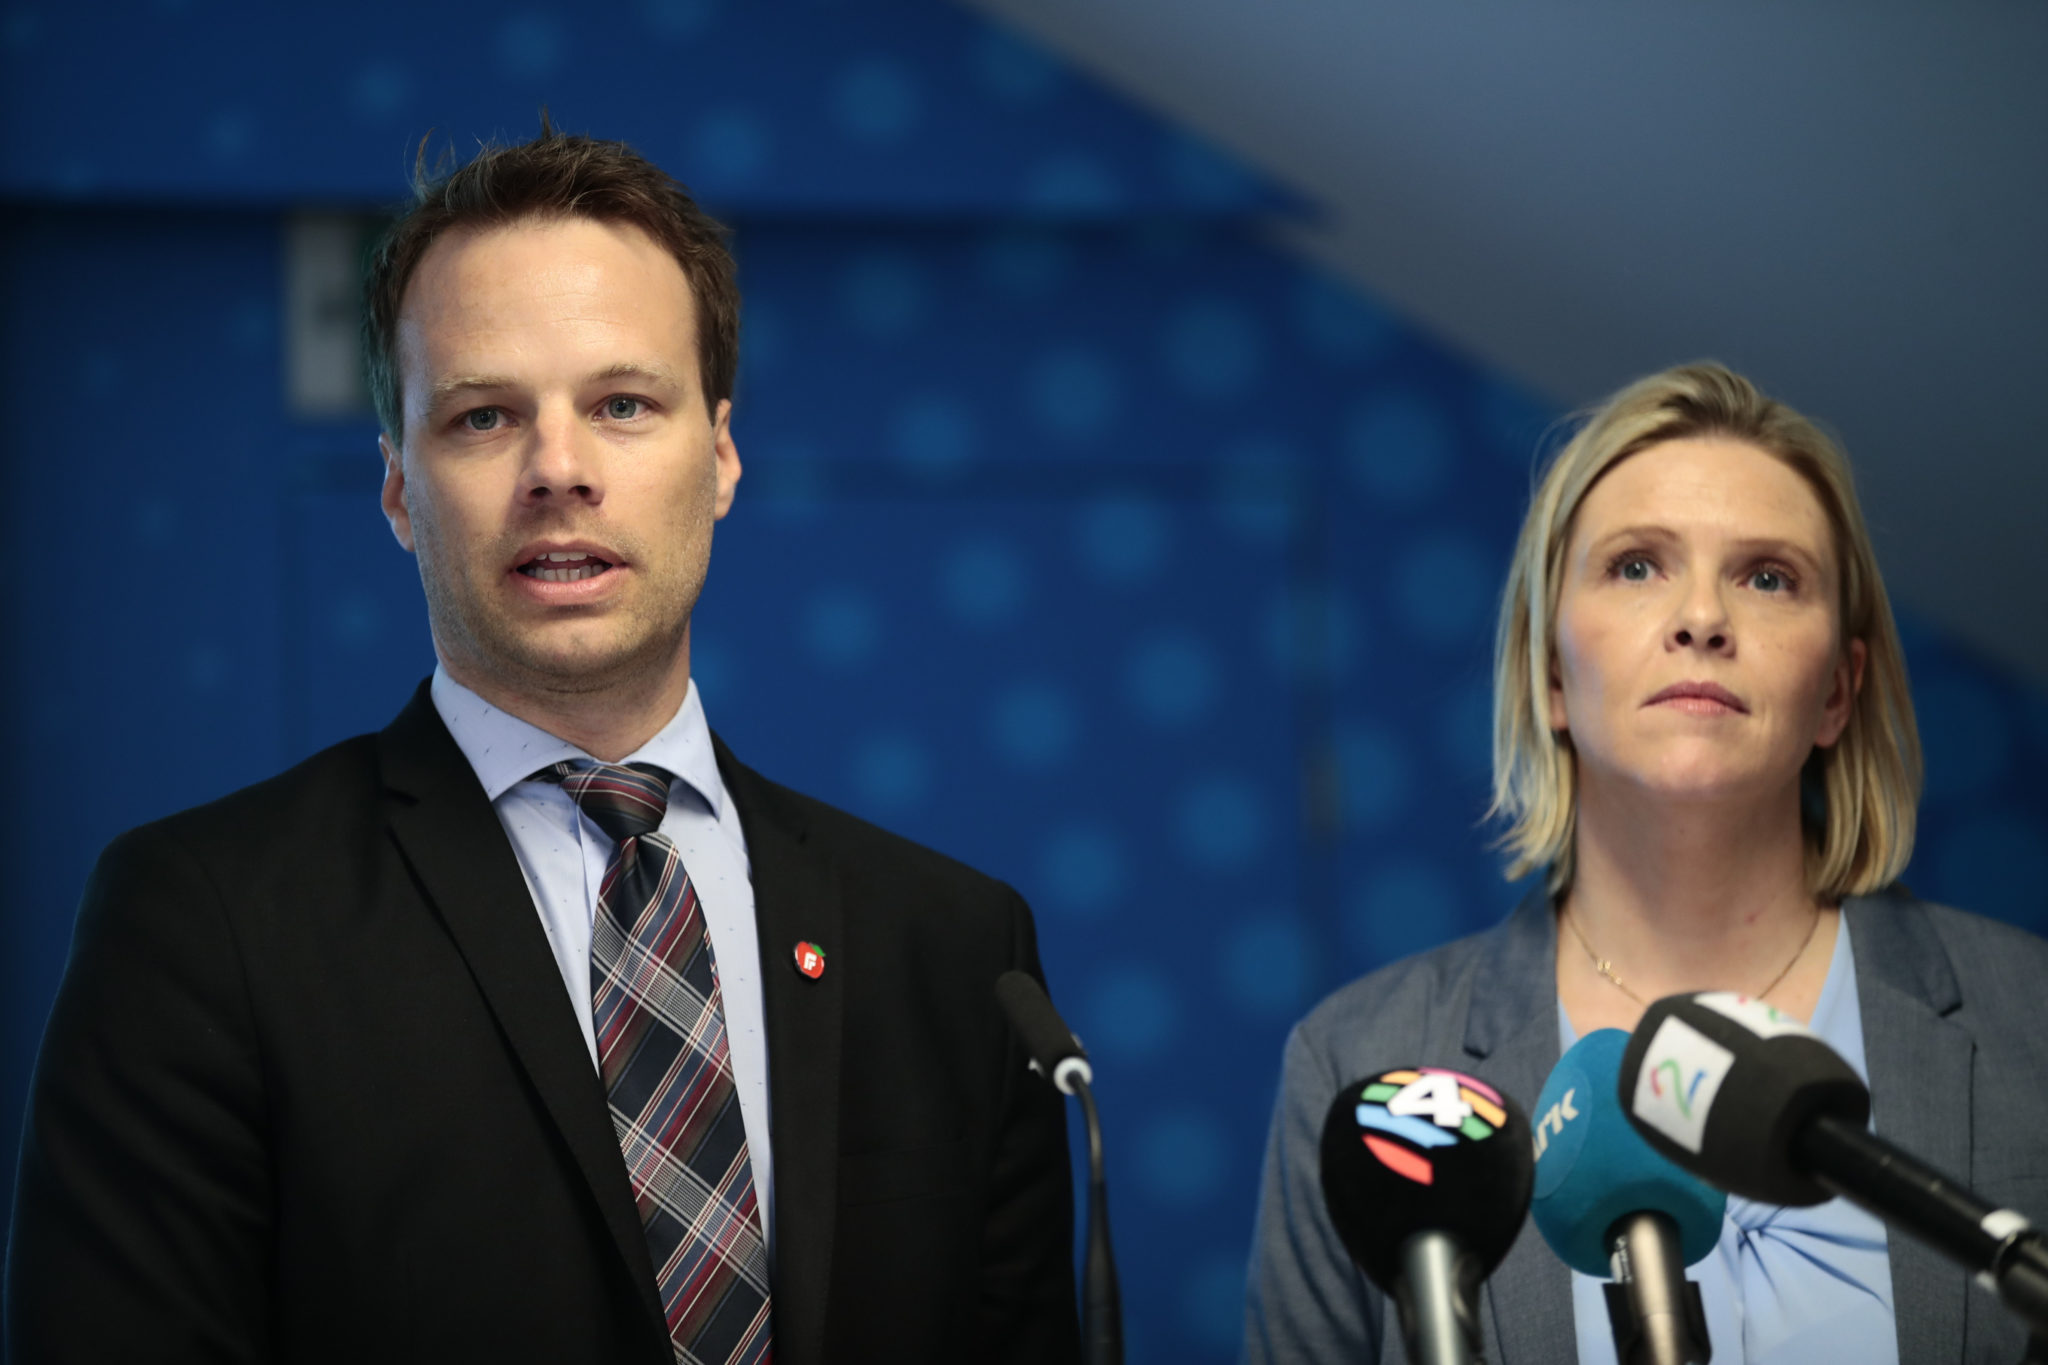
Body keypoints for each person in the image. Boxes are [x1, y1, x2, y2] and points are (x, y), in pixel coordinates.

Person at [6, 126, 1078, 1365]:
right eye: (482, 417)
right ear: (398, 490)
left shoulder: (955, 950)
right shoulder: (203, 923)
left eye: (622, 405)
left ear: (720, 457)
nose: (558, 470)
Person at [1243, 362, 2048, 1364]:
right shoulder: (1358, 1060)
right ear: (1548, 671)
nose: (1701, 618)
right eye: (1635, 566)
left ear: (1837, 692)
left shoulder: (2033, 1021)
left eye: (1768, 577)